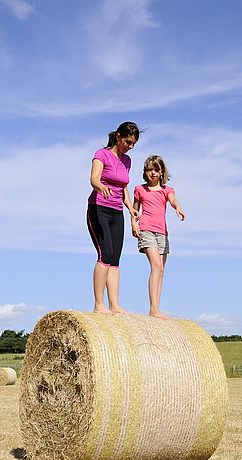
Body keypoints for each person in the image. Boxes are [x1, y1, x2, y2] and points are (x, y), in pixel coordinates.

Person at [87, 121, 140, 314]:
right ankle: (98, 304)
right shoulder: (101, 154)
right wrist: (101, 187)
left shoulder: (127, 161)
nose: (130, 146)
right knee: (105, 255)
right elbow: (94, 178)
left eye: (133, 143)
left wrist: (129, 208)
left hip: (117, 211)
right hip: (98, 208)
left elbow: (124, 186)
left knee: (115, 259)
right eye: (128, 141)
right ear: (118, 137)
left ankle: (114, 304)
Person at [131, 155, 186, 319]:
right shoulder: (140, 190)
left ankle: (157, 307)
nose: (153, 173)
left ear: (162, 172)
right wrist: (134, 224)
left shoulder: (167, 190)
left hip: (162, 233)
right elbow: (135, 210)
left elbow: (173, 200)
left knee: (161, 270)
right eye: (149, 170)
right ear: (145, 172)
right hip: (146, 230)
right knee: (156, 266)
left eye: (156, 169)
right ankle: (153, 309)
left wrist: (178, 208)